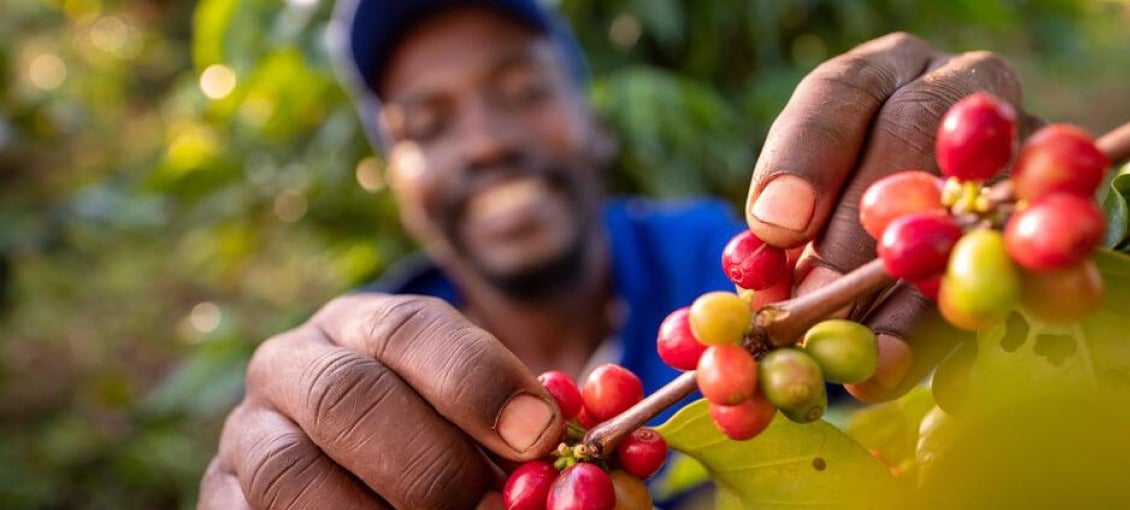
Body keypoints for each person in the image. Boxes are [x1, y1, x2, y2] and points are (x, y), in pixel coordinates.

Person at [197, 1, 1040, 508]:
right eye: (428, 124)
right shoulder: (368, 369)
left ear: (592, 117)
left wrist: (1014, 252)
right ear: (395, 179)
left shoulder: (744, 268)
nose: (487, 141)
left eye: (524, 91)